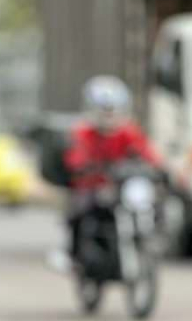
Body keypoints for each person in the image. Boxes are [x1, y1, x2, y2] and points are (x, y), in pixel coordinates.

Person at [62, 75, 162, 260]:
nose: (109, 116)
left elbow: (148, 154)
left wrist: (158, 168)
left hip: (122, 187)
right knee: (78, 212)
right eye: (105, 111)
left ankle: (149, 240)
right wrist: (84, 166)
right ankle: (73, 256)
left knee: (153, 200)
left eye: (113, 110)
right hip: (94, 187)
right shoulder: (83, 133)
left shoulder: (128, 132)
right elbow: (75, 157)